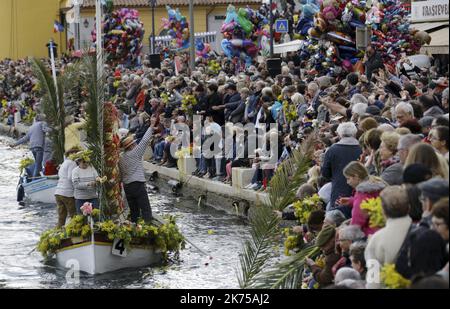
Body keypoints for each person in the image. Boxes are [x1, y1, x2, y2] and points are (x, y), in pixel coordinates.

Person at [365, 186, 412, 266]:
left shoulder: (376, 240)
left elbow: (373, 276)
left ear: (383, 210)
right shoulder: (426, 232)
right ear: (409, 207)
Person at [321, 122, 362, 214]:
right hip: (359, 191)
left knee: (338, 218)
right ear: (355, 133)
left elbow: (325, 173)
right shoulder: (361, 148)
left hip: (339, 190)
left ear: (339, 134)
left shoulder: (332, 150)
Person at [340, 161, 387, 236]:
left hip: (371, 233)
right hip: (383, 227)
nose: (347, 182)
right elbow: (370, 202)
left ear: (356, 176)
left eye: (348, 178)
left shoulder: (362, 193)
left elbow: (357, 220)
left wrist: (347, 235)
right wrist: (352, 201)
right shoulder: (376, 183)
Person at [119, 127, 153, 223]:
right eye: (134, 143)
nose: (136, 144)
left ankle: (135, 228)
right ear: (131, 145)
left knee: (134, 211)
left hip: (127, 187)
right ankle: (148, 229)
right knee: (146, 209)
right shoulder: (135, 153)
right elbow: (145, 141)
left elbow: (120, 174)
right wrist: (151, 126)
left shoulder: (121, 157)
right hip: (137, 184)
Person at [54, 147, 79, 227]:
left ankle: (58, 232)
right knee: (74, 215)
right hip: (67, 193)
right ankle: (76, 232)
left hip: (58, 192)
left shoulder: (64, 163)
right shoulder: (72, 163)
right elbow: (70, 177)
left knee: (61, 216)